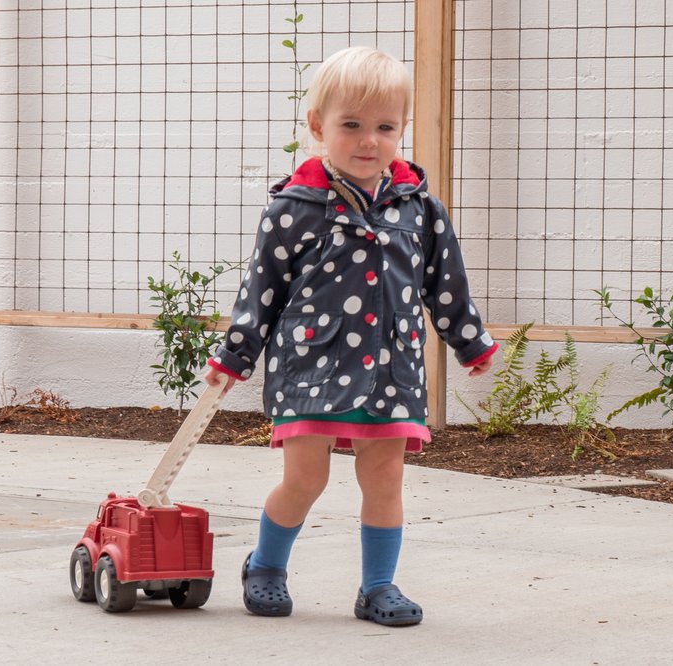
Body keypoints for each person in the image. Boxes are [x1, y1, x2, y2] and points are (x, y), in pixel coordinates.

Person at [204, 46, 497, 627]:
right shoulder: (293, 208)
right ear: (318, 126)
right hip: (310, 364)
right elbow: (260, 289)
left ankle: (378, 587)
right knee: (305, 477)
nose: (370, 141)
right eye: (352, 125)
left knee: (384, 477)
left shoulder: (419, 209)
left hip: (392, 368)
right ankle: (265, 565)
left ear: (402, 129)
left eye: (385, 127)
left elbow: (444, 282)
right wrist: (234, 356)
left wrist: (468, 341)